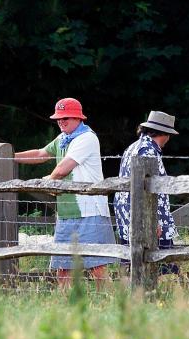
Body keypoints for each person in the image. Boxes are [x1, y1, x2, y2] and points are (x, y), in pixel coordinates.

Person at [14, 97, 116, 289]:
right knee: (63, 267)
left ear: (78, 118)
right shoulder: (63, 139)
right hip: (66, 212)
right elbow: (40, 154)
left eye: (66, 118)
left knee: (97, 267)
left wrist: (48, 182)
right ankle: (65, 307)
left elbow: (63, 168)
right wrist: (7, 156)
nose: (61, 121)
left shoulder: (86, 138)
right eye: (59, 118)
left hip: (89, 210)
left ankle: (107, 302)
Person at [113, 111, 179, 275]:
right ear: (164, 134)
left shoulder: (133, 147)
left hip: (127, 214)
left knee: (131, 262)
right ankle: (162, 296)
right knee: (161, 262)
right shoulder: (148, 151)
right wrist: (153, 220)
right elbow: (147, 190)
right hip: (145, 217)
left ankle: (132, 296)